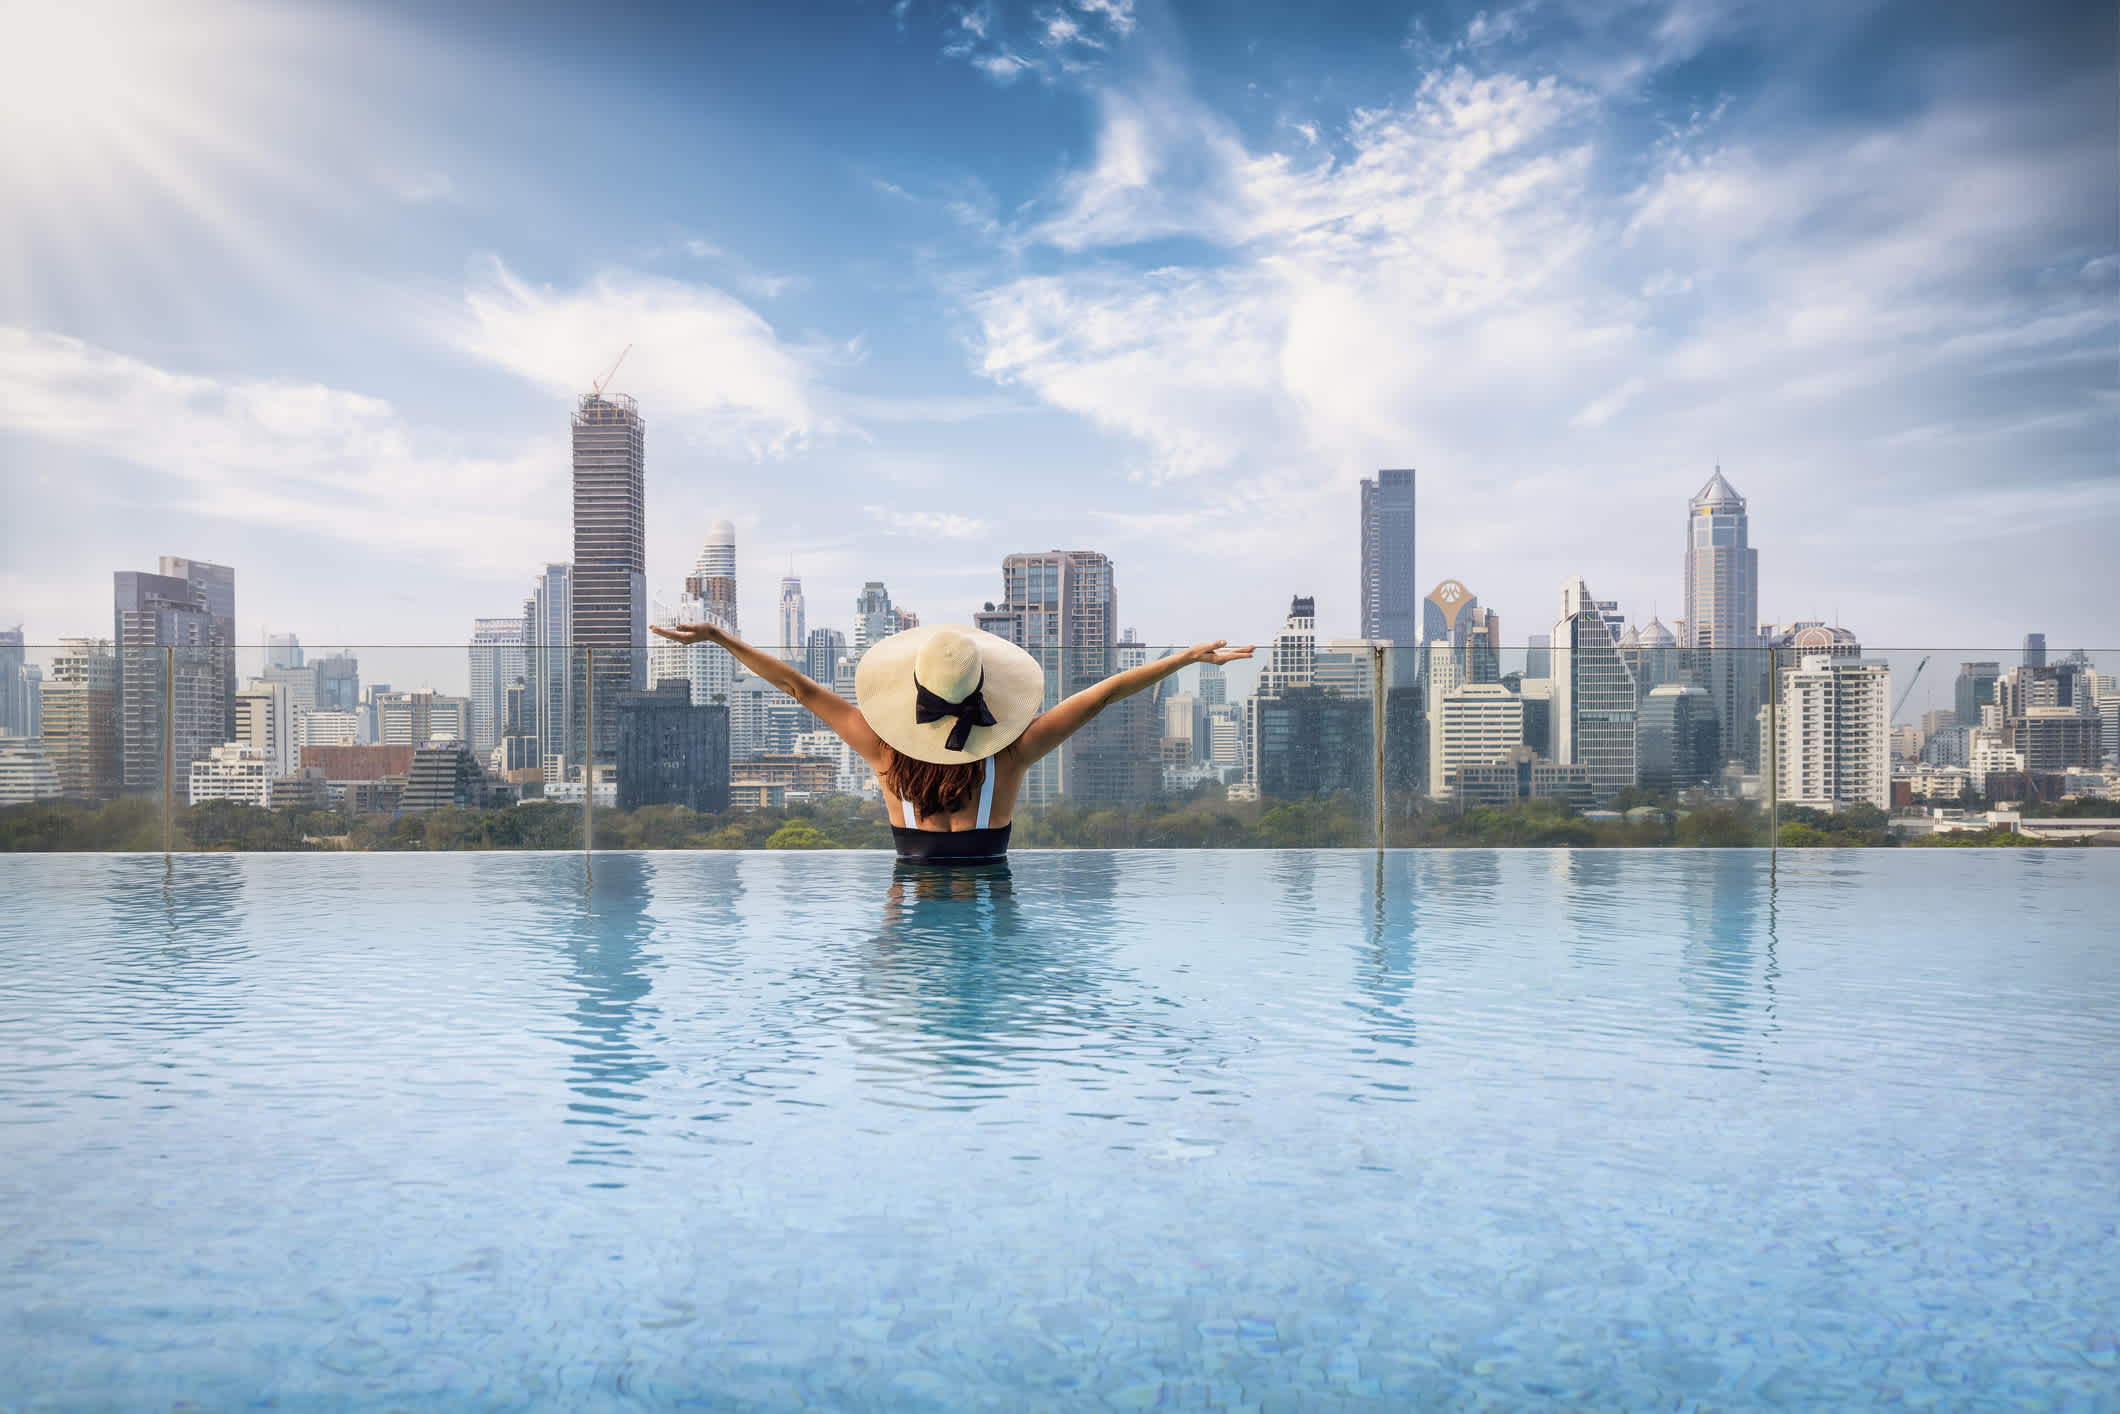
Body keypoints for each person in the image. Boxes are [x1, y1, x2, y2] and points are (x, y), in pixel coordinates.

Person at [648, 619, 1254, 864]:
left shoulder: (882, 752)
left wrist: (719, 639)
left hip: (907, 912)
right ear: (983, 688)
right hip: (994, 912)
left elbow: (799, 689)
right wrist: (1187, 658)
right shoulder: (1011, 755)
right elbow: (1101, 695)